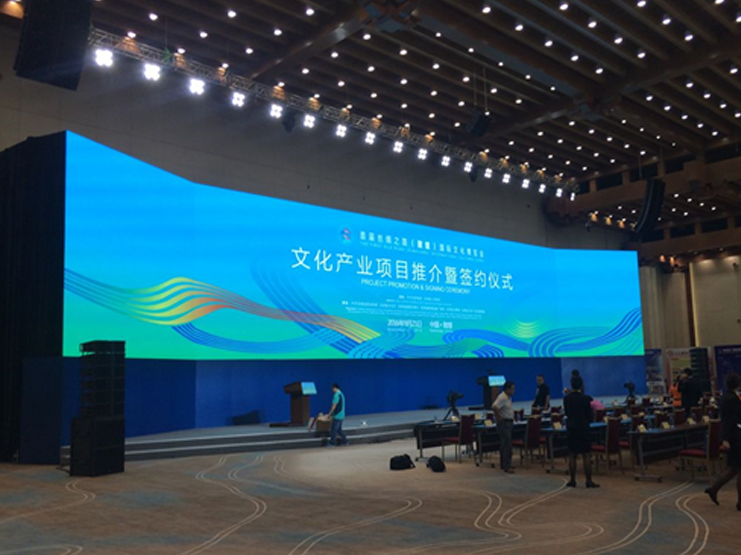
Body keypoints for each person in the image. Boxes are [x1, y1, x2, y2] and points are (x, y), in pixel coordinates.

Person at [705, 373, 741, 510]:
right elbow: (729, 420)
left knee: (734, 468)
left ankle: (714, 488)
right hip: (735, 437)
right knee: (737, 468)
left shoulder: (727, 397)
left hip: (733, 435)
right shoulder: (733, 399)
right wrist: (725, 438)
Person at [563, 376, 599, 488]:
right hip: (584, 428)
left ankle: (572, 480)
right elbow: (590, 415)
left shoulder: (567, 399)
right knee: (586, 455)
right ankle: (589, 481)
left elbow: (567, 413)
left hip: (572, 429)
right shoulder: (586, 398)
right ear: (582, 385)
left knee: (572, 455)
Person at [492, 380, 516, 474]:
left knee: (504, 444)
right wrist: (498, 417)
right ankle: (507, 466)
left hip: (508, 422)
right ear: (507, 389)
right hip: (504, 423)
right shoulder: (502, 397)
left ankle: (504, 464)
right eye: (512, 389)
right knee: (507, 445)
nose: (514, 391)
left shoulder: (508, 397)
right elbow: (494, 406)